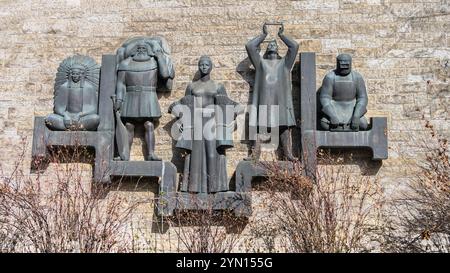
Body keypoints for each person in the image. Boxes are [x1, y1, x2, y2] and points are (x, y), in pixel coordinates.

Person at [169, 56, 240, 193]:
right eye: (201, 64)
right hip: (195, 122)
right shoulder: (191, 87)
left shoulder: (218, 87)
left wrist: (232, 123)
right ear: (198, 66)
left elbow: (229, 105)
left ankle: (215, 187)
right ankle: (193, 187)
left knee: (213, 154)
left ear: (211, 67)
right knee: (194, 155)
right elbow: (185, 105)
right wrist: (181, 120)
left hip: (212, 122)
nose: (204, 67)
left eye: (206, 64)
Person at [245, 22, 299, 161]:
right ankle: (255, 154)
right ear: (266, 50)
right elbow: (250, 46)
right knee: (259, 127)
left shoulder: (285, 64)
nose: (272, 45)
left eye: (275, 45)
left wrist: (282, 35)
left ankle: (287, 153)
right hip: (263, 100)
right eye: (270, 45)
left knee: (284, 127)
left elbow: (294, 47)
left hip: (280, 100)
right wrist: (263, 35)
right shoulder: (260, 63)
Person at [115, 38, 174, 161]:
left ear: (149, 51)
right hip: (131, 96)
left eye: (144, 48)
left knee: (149, 124)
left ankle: (151, 153)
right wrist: (119, 100)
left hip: (148, 96)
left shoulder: (154, 62)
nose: (141, 50)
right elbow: (121, 84)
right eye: (138, 48)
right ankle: (125, 154)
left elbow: (164, 74)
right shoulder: (125, 63)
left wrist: (160, 57)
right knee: (129, 125)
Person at [46, 58, 100, 131]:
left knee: (95, 119)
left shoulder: (89, 88)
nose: (75, 76)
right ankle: (75, 127)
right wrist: (66, 115)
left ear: (82, 75)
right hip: (66, 118)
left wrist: (80, 115)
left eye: (77, 74)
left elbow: (93, 109)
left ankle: (73, 127)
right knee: (49, 118)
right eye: (73, 74)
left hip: (82, 118)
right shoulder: (64, 87)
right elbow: (58, 107)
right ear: (70, 75)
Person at [320, 53, 368, 131]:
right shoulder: (330, 77)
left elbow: (362, 98)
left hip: (352, 108)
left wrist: (356, 115)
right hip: (335, 107)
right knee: (324, 125)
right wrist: (332, 115)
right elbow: (325, 97)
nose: (344, 68)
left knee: (363, 125)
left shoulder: (357, 77)